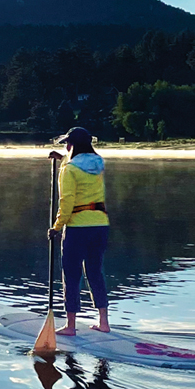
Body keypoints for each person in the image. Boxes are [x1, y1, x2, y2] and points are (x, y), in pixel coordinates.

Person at [47, 127, 110, 335]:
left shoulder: (69, 170)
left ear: (72, 145)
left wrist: (56, 228)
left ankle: (71, 326)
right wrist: (63, 158)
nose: (66, 147)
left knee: (72, 275)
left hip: (77, 228)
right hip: (100, 225)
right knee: (95, 272)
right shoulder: (99, 164)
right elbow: (80, 163)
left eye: (67, 144)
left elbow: (66, 203)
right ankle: (104, 322)